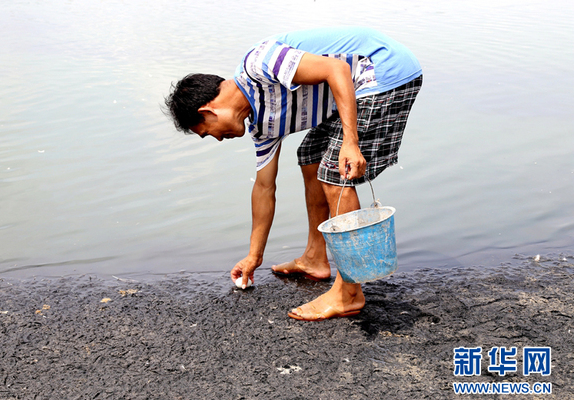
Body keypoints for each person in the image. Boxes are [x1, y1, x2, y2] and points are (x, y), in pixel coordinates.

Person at [164, 26, 422, 321]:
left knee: (334, 172)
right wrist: (254, 256)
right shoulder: (262, 127)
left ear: (208, 112)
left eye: (207, 133)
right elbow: (264, 188)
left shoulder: (259, 63)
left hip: (384, 71)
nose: (217, 139)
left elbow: (336, 69)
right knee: (310, 156)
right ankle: (315, 257)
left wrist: (350, 142)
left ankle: (349, 292)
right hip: (356, 87)